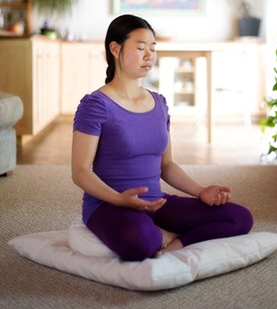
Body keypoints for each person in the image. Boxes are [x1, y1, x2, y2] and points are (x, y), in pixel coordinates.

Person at [71, 14, 253, 261]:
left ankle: (175, 242)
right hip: (109, 206)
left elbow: (166, 166)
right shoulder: (96, 105)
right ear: (115, 49)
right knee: (142, 242)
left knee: (239, 217)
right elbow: (80, 171)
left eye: (153, 49)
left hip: (157, 202)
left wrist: (201, 192)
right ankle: (156, 235)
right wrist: (119, 199)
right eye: (140, 48)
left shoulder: (159, 103)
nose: (149, 56)